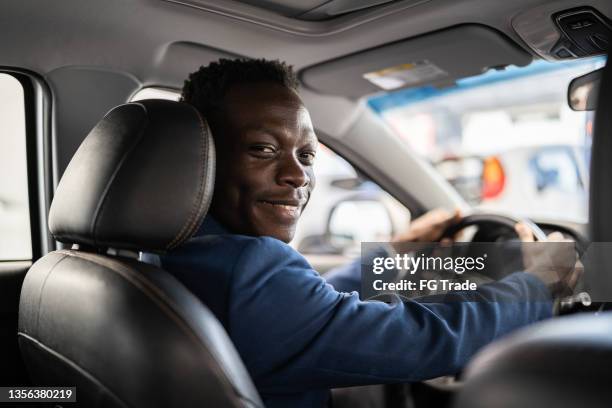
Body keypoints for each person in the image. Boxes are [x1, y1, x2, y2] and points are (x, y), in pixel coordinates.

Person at [145, 58, 578, 408]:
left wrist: (395, 255)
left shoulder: (169, 252)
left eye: (307, 154)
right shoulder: (243, 267)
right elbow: (419, 340)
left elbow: (309, 316)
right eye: (263, 148)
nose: (298, 175)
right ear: (204, 157)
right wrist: (537, 286)